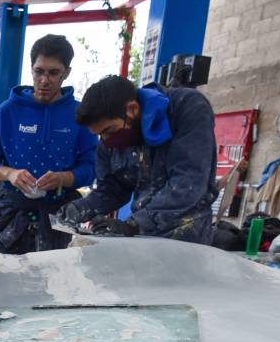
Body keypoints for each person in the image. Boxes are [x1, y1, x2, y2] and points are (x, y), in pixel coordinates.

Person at [0, 34, 98, 254]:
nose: (44, 80)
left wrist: (63, 178)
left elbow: (91, 169)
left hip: (59, 218)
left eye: (53, 73)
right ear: (31, 69)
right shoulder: (8, 111)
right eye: (39, 71)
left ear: (66, 73)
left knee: (55, 274)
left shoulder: (80, 115)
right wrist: (10, 174)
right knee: (0, 273)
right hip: (11, 216)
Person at [61, 75, 218, 244]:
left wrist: (134, 224)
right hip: (144, 236)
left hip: (186, 236)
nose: (105, 140)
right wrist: (80, 208)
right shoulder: (108, 142)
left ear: (132, 109)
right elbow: (112, 190)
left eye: (109, 131)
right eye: (100, 134)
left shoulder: (186, 107)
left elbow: (188, 183)